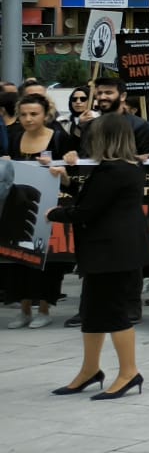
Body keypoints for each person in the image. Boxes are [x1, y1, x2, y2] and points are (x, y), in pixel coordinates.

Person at [48, 114, 149, 399]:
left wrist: (54, 213)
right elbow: (92, 200)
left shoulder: (115, 170)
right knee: (93, 312)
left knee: (115, 312)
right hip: (106, 251)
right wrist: (67, 182)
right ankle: (90, 370)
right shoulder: (118, 168)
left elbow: (86, 211)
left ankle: (129, 372)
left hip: (114, 252)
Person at [5, 94, 73, 327]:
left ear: (46, 115)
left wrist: (60, 171)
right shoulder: (15, 139)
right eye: (23, 114)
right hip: (19, 205)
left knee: (48, 260)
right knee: (18, 258)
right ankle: (24, 309)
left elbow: (71, 174)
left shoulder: (59, 138)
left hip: (50, 206)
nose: (28, 119)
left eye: (34, 114)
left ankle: (44, 307)